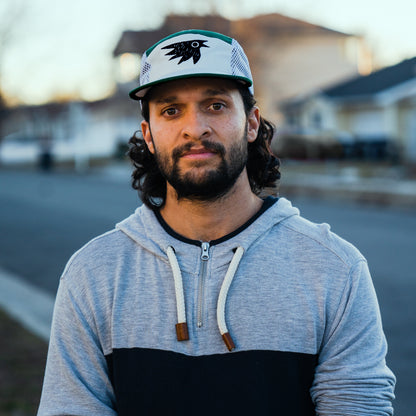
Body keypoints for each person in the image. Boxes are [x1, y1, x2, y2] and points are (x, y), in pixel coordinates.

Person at [38, 29, 395, 415]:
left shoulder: (335, 269)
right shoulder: (93, 273)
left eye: (216, 105)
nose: (195, 128)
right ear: (149, 135)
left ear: (252, 123)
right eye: (171, 111)